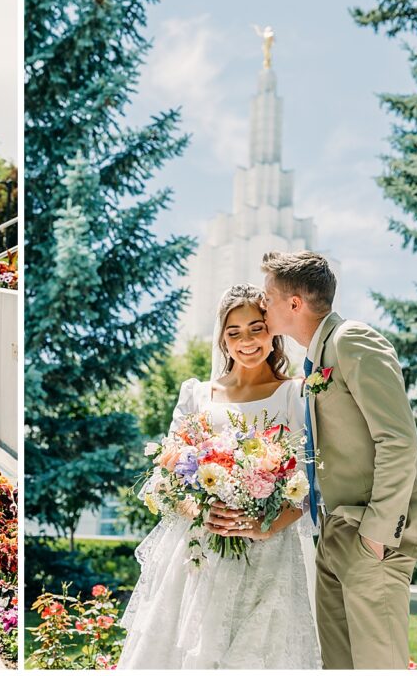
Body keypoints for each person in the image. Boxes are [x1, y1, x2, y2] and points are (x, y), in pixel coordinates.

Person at [260, 250, 417, 670]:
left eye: (267, 295)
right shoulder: (316, 357)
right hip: (333, 532)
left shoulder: (352, 339)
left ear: (294, 304)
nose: (261, 303)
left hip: (371, 537)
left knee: (379, 664)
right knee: (339, 665)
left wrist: (377, 535)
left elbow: (399, 440)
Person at [118, 284, 321, 669]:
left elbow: (308, 484)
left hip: (269, 555)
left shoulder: (294, 394)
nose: (247, 340)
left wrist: (266, 526)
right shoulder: (197, 395)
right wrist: (198, 510)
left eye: (256, 328)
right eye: (235, 331)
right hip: (199, 553)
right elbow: (166, 476)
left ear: (272, 333)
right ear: (222, 339)